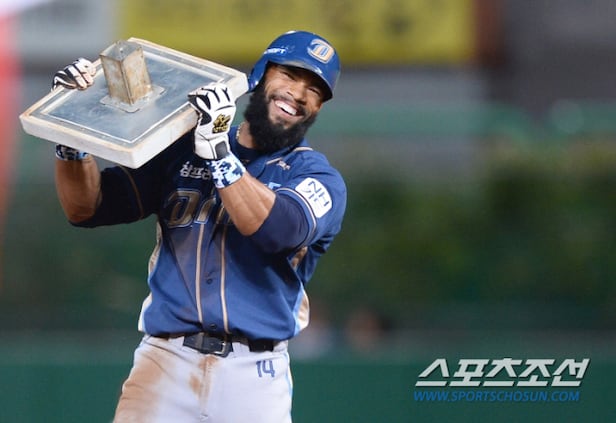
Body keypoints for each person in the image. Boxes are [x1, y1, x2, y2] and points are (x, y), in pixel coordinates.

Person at [52, 30, 346, 422]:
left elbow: (279, 229)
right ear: (260, 74)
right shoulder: (184, 148)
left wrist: (220, 155)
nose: (299, 93)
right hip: (165, 360)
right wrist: (70, 135)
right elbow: (88, 207)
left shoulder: (318, 177)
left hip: (255, 372)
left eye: (315, 90)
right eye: (290, 75)